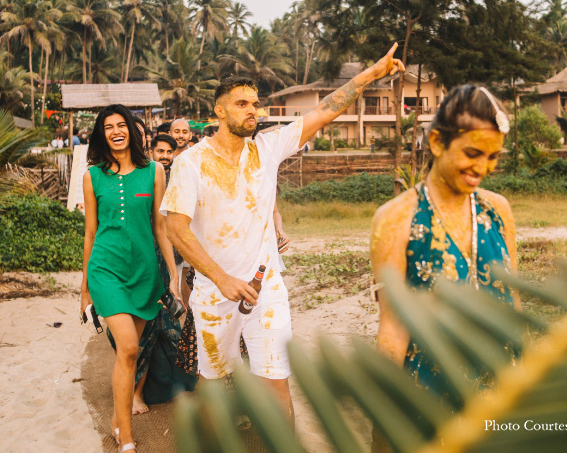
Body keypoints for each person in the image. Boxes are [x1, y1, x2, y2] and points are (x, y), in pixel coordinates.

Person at [162, 43, 405, 424]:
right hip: (213, 295)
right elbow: (175, 227)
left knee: (277, 381)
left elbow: (327, 109)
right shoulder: (191, 163)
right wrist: (221, 279)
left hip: (266, 289)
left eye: (255, 104)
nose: (252, 111)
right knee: (212, 389)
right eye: (241, 103)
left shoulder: (267, 147)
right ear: (219, 110)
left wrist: (371, 74)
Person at [370, 85, 522, 394]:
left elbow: (514, 303)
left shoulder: (498, 211)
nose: (483, 168)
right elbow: (392, 330)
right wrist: (385, 431)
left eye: (493, 156)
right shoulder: (396, 219)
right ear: (438, 142)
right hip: (430, 400)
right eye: (472, 153)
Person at [80, 104, 182, 452]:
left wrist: (171, 275)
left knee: (131, 355)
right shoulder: (92, 176)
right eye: (107, 127)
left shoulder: (154, 171)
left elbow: (161, 226)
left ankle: (116, 419)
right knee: (127, 346)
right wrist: (84, 291)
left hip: (144, 273)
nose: (115, 131)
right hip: (106, 270)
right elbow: (90, 233)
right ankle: (126, 437)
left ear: (132, 131)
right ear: (101, 134)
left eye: (121, 124)